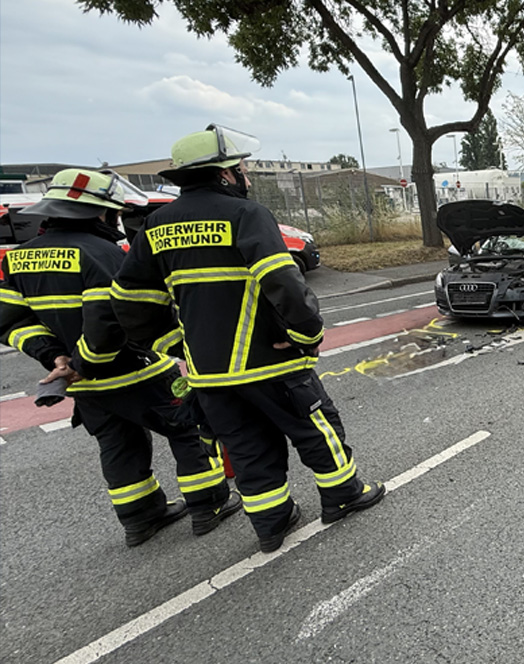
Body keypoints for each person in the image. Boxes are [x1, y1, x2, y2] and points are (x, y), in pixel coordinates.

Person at [112, 125, 385, 553]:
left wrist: (175, 348)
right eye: (242, 168)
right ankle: (343, 496)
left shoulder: (155, 224)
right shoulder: (245, 215)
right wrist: (306, 335)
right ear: (224, 174)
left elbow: (130, 302)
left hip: (209, 375)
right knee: (316, 429)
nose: (248, 176)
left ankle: (271, 526)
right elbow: (284, 282)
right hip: (271, 363)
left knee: (247, 447)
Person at [0, 168, 239, 547]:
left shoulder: (18, 259)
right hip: (136, 374)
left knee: (118, 445)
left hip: (86, 387)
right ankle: (207, 506)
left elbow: (12, 321)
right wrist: (84, 362)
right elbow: (109, 320)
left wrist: (56, 358)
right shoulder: (102, 254)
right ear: (99, 213)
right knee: (188, 430)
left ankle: (140, 518)